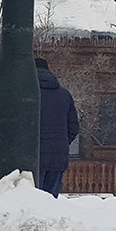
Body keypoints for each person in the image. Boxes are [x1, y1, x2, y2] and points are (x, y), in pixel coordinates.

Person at [35, 57, 79, 197]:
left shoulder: (28, 94)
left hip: (34, 157)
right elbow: (74, 128)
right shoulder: (64, 95)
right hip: (59, 156)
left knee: (33, 201)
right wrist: (62, 143)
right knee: (50, 201)